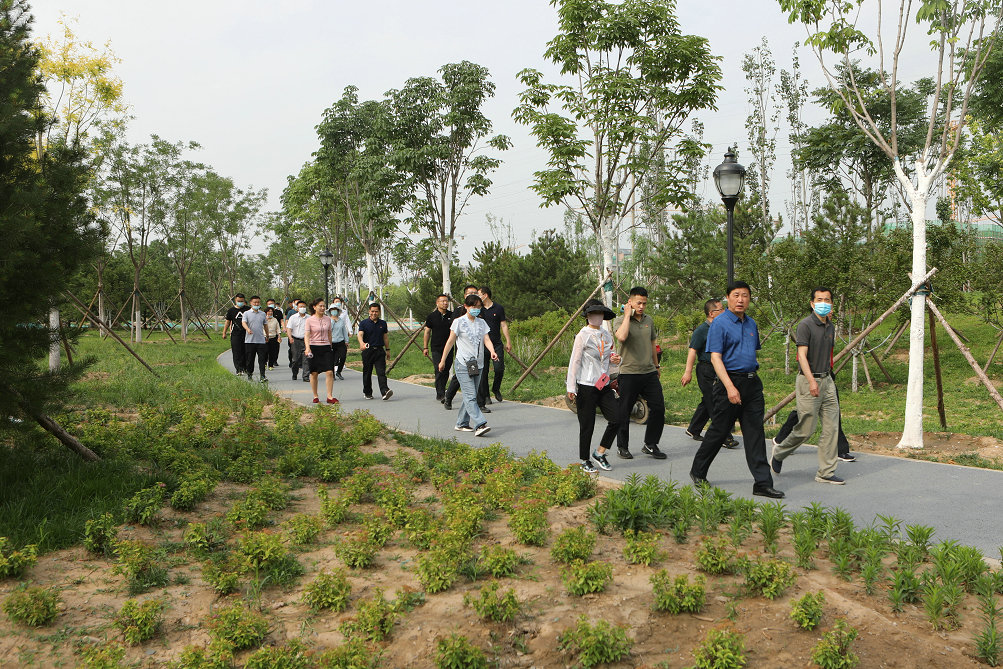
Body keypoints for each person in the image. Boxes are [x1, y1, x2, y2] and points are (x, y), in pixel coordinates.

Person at [689, 281, 784, 499]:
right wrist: (730, 387)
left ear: (749, 299)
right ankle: (698, 471)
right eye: (736, 295)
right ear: (727, 298)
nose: (740, 299)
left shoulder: (751, 324)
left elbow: (751, 353)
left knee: (755, 434)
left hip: (752, 384)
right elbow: (715, 357)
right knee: (719, 430)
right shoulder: (720, 323)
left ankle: (762, 483)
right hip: (728, 384)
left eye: (745, 296)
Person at [769, 287, 845, 485]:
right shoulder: (805, 325)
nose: (823, 302)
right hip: (808, 380)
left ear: (831, 304)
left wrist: (827, 378)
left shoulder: (830, 326)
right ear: (812, 303)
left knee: (831, 428)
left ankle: (826, 472)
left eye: (827, 300)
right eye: (819, 299)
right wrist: (812, 381)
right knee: (806, 429)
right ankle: (779, 453)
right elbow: (802, 355)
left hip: (827, 381)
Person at [567, 299, 622, 473]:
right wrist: (571, 387)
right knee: (587, 425)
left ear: (603, 315)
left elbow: (610, 356)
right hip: (586, 385)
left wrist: (615, 359)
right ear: (587, 316)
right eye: (593, 313)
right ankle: (584, 459)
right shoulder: (582, 335)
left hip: (603, 384)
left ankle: (600, 453)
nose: (597, 317)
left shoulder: (606, 335)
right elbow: (574, 361)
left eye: (599, 313)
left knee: (617, 418)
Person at [613, 287, 667, 460]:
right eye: (638, 303)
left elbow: (652, 344)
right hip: (629, 372)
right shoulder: (620, 320)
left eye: (644, 303)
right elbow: (621, 337)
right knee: (624, 411)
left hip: (649, 372)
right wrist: (628, 316)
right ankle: (622, 447)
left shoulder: (648, 320)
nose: (642, 306)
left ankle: (650, 444)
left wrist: (657, 366)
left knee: (658, 408)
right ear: (630, 302)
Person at [438, 293, 498, 437]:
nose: (476, 309)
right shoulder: (458, 322)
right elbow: (450, 341)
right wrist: (443, 360)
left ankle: (461, 423)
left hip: (478, 364)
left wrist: (492, 351)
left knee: (470, 395)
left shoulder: (482, 323)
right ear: (466, 307)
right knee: (471, 395)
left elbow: (487, 339)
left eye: (478, 307)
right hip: (463, 363)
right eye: (473, 306)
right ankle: (480, 424)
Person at [682, 299, 738, 449]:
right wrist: (688, 372)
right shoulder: (702, 330)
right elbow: (692, 351)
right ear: (712, 314)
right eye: (721, 309)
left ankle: (693, 429)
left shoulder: (721, 327)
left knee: (708, 400)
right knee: (714, 402)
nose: (725, 311)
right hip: (705, 370)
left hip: (718, 369)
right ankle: (725, 437)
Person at [443, 285, 481, 411]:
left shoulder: (480, 310)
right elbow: (454, 332)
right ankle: (449, 397)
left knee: (479, 375)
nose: (474, 294)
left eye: (475, 292)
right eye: (470, 293)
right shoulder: (459, 311)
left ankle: (481, 402)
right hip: (463, 350)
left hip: (478, 349)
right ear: (465, 296)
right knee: (460, 377)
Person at [477, 287, 512, 405]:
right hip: (483, 344)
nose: (478, 297)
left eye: (479, 294)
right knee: (484, 372)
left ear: (485, 295)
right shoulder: (478, 309)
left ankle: (496, 388)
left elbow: (503, 325)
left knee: (499, 368)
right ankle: (486, 395)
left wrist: (508, 341)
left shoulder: (498, 308)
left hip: (496, 343)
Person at [304, 298, 337, 404]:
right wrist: (307, 348)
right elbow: (307, 335)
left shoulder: (328, 319)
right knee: (314, 373)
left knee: (330, 372)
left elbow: (329, 334)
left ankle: (330, 396)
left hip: (326, 347)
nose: (322, 308)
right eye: (320, 306)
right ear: (314, 307)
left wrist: (330, 346)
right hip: (314, 347)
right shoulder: (309, 320)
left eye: (324, 306)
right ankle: (315, 395)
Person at [357, 303, 393, 401]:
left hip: (379, 351)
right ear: (369, 312)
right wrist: (362, 343)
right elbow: (360, 335)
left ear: (379, 312)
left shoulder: (383, 323)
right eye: (372, 311)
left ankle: (385, 391)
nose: (374, 313)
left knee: (381, 372)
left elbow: (385, 337)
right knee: (367, 372)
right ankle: (367, 392)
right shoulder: (364, 323)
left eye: (376, 311)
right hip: (368, 351)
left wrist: (388, 349)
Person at [423, 294, 455, 402]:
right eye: (442, 301)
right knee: (439, 369)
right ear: (437, 303)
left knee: (446, 370)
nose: (445, 303)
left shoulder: (452, 315)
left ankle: (442, 389)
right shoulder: (431, 316)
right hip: (436, 347)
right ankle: (440, 394)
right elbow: (427, 332)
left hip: (449, 347)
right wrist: (425, 347)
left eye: (446, 301)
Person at [242, 296, 269, 383]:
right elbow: (243, 322)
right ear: (251, 303)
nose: (256, 304)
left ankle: (262, 376)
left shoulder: (263, 314)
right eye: (255, 302)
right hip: (250, 341)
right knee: (250, 359)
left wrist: (267, 335)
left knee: (262, 359)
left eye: (258, 302)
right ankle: (250, 374)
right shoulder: (246, 313)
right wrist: (247, 329)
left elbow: (265, 325)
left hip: (260, 340)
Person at [222, 293, 249, 375]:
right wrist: (224, 332)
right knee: (237, 351)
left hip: (247, 334)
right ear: (235, 301)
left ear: (244, 301)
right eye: (238, 301)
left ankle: (245, 368)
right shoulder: (231, 311)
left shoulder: (248, 309)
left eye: (242, 301)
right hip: (235, 334)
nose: (240, 302)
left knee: (246, 351)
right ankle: (238, 369)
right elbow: (227, 322)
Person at [285, 301, 309, 381]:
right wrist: (290, 337)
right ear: (297, 308)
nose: (302, 308)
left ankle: (305, 376)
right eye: (301, 306)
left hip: (306, 340)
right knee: (295, 359)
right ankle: (294, 373)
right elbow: (289, 328)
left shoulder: (309, 318)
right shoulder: (293, 317)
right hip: (295, 340)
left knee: (306, 359)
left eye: (304, 306)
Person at [329, 304, 351, 381]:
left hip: (341, 341)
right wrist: (332, 321)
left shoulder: (341, 320)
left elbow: (344, 331)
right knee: (333, 359)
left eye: (335, 310)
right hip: (332, 342)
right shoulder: (328, 320)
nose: (334, 311)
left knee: (343, 357)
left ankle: (339, 371)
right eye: (332, 310)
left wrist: (346, 340)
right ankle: (332, 374)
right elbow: (329, 330)